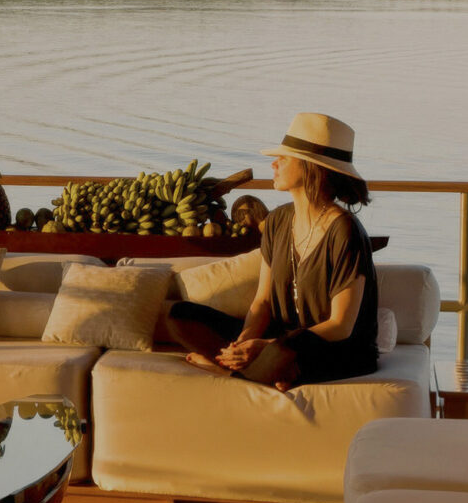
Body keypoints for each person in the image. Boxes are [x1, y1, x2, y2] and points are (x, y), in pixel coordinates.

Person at [161, 112, 380, 390]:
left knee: (284, 350)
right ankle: (257, 369)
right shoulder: (277, 220)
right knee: (179, 315)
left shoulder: (345, 231)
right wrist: (244, 342)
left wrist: (264, 346)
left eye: (284, 158)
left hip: (335, 349)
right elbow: (262, 300)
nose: (274, 164)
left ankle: (230, 374)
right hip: (281, 337)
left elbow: (340, 326)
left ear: (311, 168)